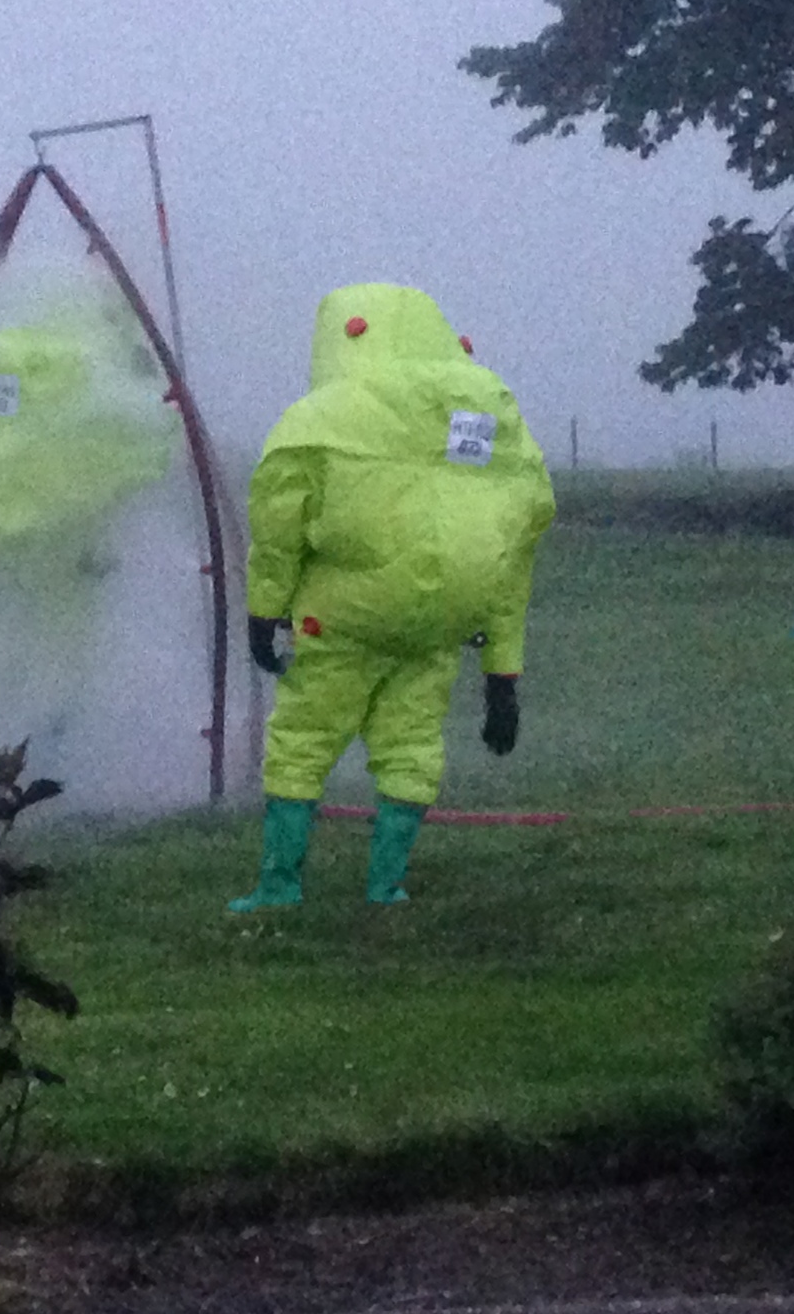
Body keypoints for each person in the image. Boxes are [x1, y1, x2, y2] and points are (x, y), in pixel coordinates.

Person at [229, 284, 554, 909]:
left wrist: (264, 611)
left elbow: (278, 526)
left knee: (302, 739)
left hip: (344, 620)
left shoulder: (326, 414)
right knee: (411, 741)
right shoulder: (495, 415)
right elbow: (516, 549)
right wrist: (501, 672)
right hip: (443, 624)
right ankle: (386, 885)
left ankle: (280, 884)